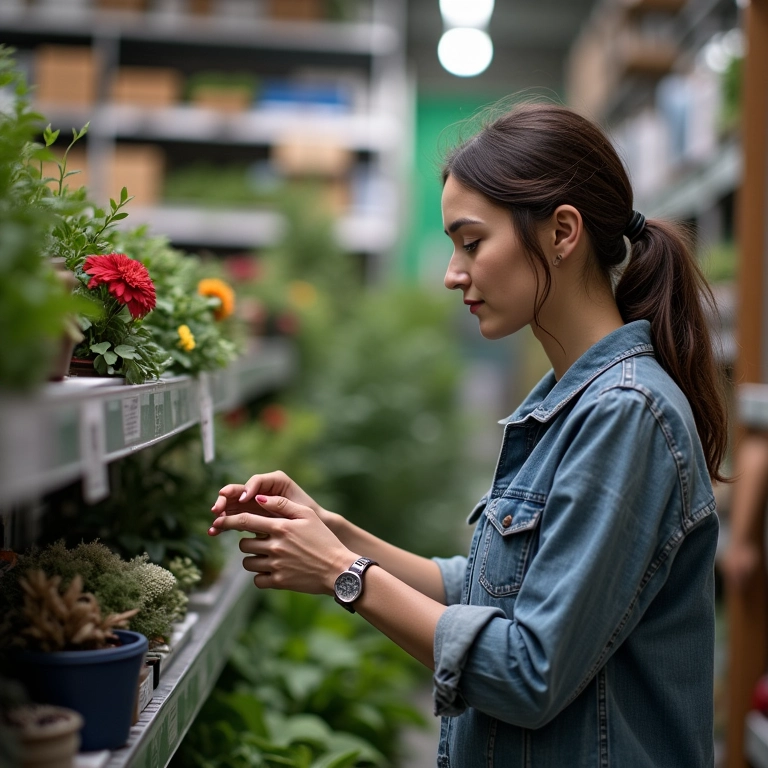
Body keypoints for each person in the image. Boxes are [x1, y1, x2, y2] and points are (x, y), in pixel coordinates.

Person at [209, 103, 728, 767]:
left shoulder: (627, 414)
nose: (454, 272)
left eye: (472, 241)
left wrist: (345, 574)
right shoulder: (568, 404)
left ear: (562, 232)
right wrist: (340, 534)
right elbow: (496, 588)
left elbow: (529, 671)